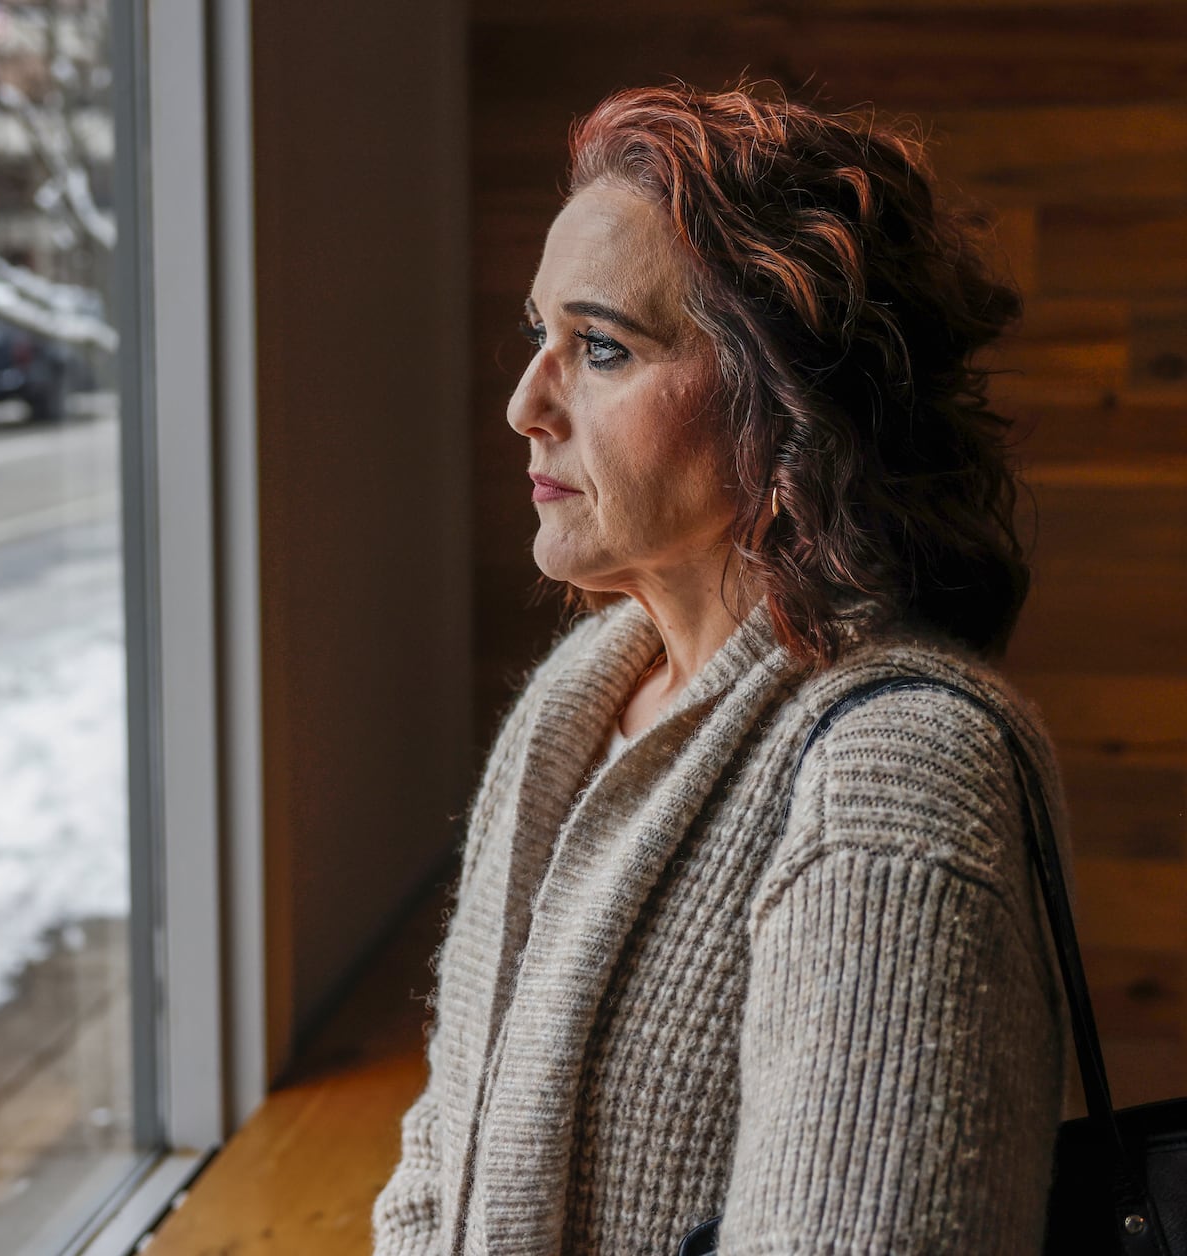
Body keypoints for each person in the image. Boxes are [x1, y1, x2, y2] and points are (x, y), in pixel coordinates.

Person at [371, 82, 1070, 1255]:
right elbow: (446, 1138)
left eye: (599, 348)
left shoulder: (889, 792)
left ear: (786, 407)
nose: (523, 404)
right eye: (537, 335)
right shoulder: (578, 697)